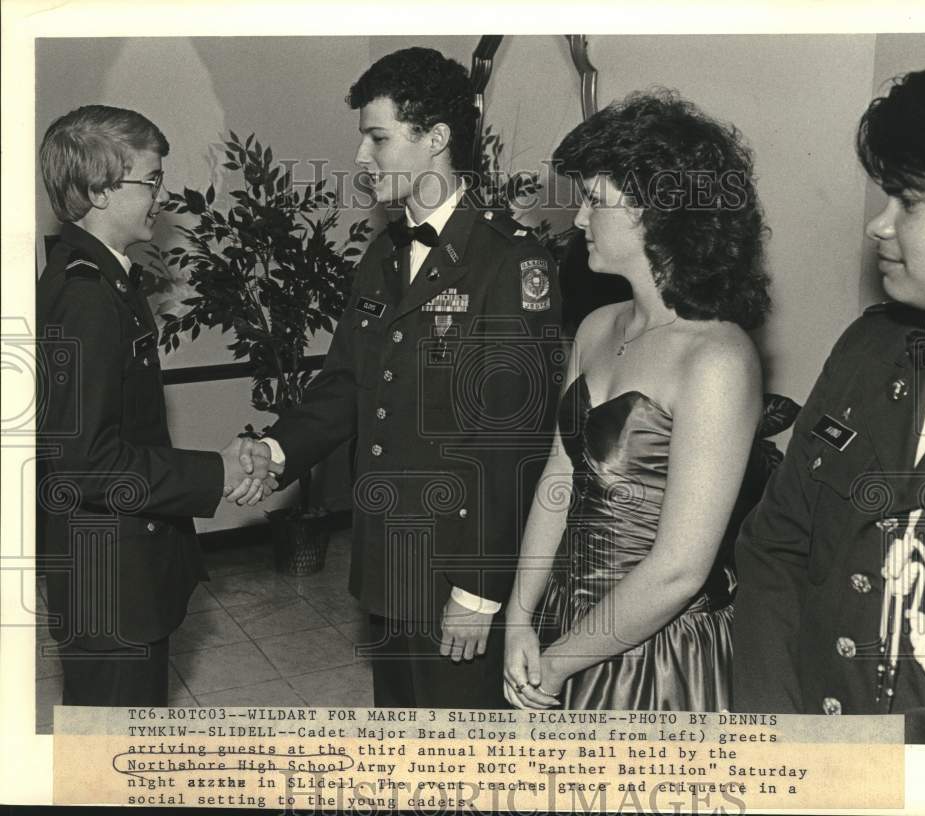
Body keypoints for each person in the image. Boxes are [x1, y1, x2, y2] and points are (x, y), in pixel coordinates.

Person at [244, 48, 562, 708]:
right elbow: (343, 385)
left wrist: (480, 588)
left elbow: (512, 443)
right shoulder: (384, 255)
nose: (362, 159)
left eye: (378, 137)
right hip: (388, 565)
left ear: (437, 139)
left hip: (457, 570)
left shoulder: (510, 263)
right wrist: (276, 453)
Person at [503, 90, 770, 710]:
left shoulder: (718, 359)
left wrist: (559, 663)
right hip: (566, 627)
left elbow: (679, 568)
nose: (576, 220)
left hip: (655, 653)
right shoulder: (597, 326)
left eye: (594, 201)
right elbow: (560, 475)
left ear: (659, 212)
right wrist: (520, 615)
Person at [36, 105, 273, 707]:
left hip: (123, 572)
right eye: (151, 180)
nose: (159, 198)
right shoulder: (87, 298)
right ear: (99, 188)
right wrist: (214, 471)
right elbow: (84, 461)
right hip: (110, 586)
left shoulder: (103, 280)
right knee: (111, 763)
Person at [732, 69, 925, 743]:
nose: (880, 225)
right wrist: (784, 749)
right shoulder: (870, 350)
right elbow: (776, 547)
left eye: (909, 201)